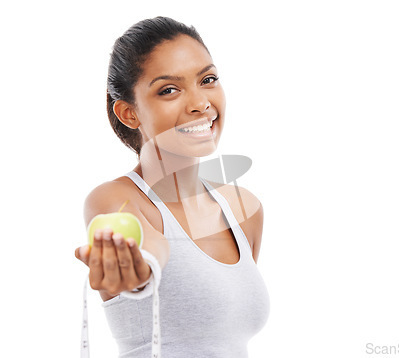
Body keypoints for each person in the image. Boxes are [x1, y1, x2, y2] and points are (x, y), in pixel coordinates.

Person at [74, 16, 270, 357]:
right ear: (129, 113)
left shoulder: (243, 209)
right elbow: (151, 250)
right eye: (169, 90)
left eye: (207, 79)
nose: (199, 103)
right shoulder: (117, 198)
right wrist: (137, 269)